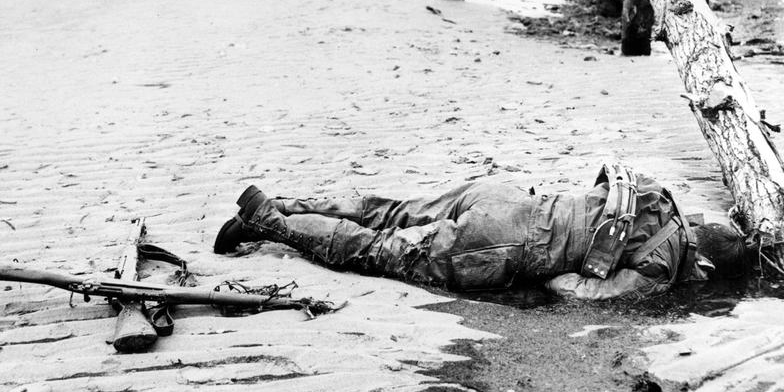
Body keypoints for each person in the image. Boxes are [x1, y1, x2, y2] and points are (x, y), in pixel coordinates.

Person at [213, 163, 750, 300]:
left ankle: (288, 202)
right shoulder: (661, 270)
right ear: (701, 266)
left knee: (392, 212)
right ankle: (268, 219)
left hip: (505, 195)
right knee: (380, 253)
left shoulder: (658, 198)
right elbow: (572, 292)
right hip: (506, 246)